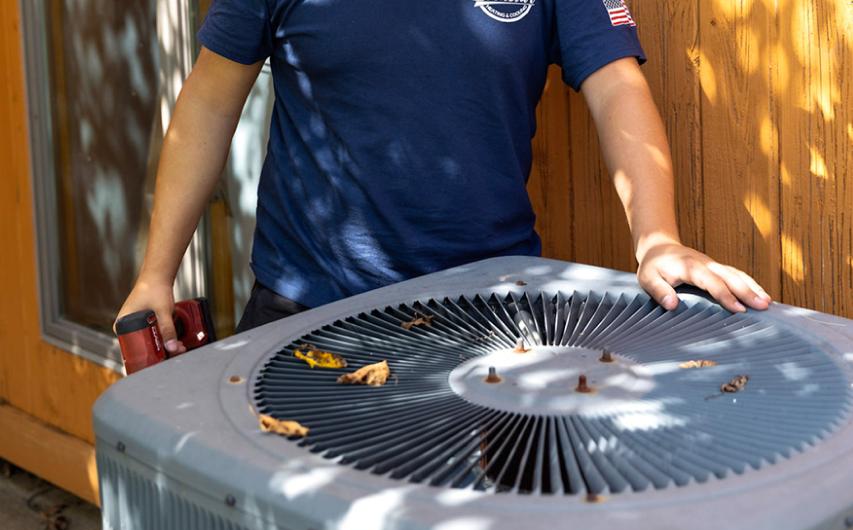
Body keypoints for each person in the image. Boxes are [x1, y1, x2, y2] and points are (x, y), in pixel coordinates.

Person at [116, 0, 771, 353]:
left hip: (488, 316)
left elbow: (616, 87)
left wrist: (657, 239)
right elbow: (207, 105)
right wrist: (155, 274)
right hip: (304, 311)